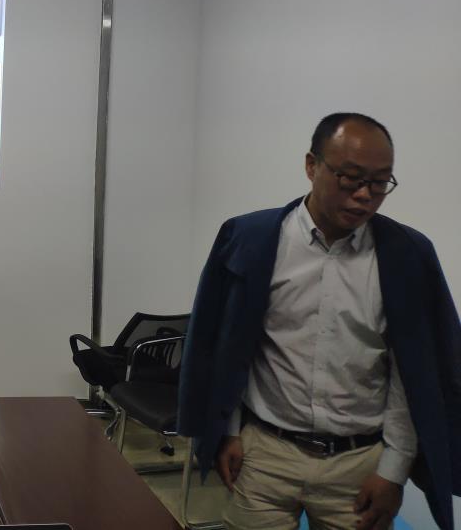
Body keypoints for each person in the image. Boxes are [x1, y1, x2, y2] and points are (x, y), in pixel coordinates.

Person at [178, 112, 461, 530]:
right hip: (265, 454)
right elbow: (229, 346)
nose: (364, 195)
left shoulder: (407, 256)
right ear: (312, 166)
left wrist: (394, 470)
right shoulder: (250, 240)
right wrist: (229, 430)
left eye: (380, 182)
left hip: (360, 466)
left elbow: (413, 374)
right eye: (350, 178)